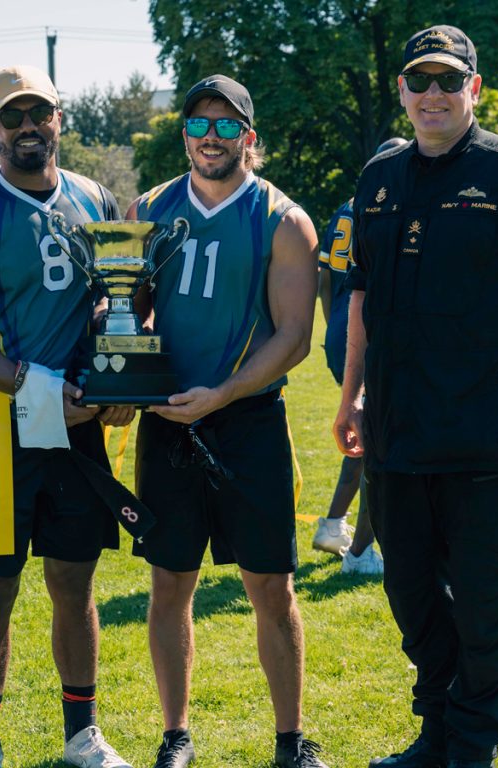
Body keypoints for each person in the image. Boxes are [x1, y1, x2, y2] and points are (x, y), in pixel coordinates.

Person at [333, 26, 498, 768]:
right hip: (396, 435)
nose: (434, 94)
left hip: (488, 434)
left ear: (474, 88)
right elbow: (361, 299)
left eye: (450, 80)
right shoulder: (378, 180)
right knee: (412, 603)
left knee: (481, 609)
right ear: (404, 92)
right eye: (421, 80)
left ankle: (470, 746)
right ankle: (437, 732)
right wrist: (351, 398)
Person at [0, 65, 134, 768]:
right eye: (10, 117)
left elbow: (122, 299)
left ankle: (83, 735)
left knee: (74, 580)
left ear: (59, 119)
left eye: (38, 113)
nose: (27, 128)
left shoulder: (98, 197)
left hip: (77, 428)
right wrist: (33, 384)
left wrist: (117, 381)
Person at [128, 75, 326, 768]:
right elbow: (132, 309)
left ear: (248, 134)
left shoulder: (282, 218)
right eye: (198, 125)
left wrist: (224, 392)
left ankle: (290, 741)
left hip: (247, 422)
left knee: (271, 585)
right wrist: (128, 369)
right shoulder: (148, 208)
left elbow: (294, 337)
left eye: (224, 125)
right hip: (169, 422)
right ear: (184, 133)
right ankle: (176, 734)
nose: (210, 138)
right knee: (169, 581)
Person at [314, 138, 408, 575]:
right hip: (372, 335)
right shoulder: (393, 205)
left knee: (363, 434)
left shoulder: (345, 208)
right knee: (378, 445)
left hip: (341, 329)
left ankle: (333, 525)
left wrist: (334, 329)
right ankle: (360, 553)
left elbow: (328, 278)